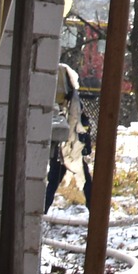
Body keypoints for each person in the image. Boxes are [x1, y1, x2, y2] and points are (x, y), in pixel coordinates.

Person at [44, 62, 92, 211]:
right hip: (68, 146)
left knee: (55, 180)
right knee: (82, 179)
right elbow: (83, 122)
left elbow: (81, 123)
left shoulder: (67, 101)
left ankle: (43, 208)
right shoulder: (73, 100)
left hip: (68, 146)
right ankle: (94, 209)